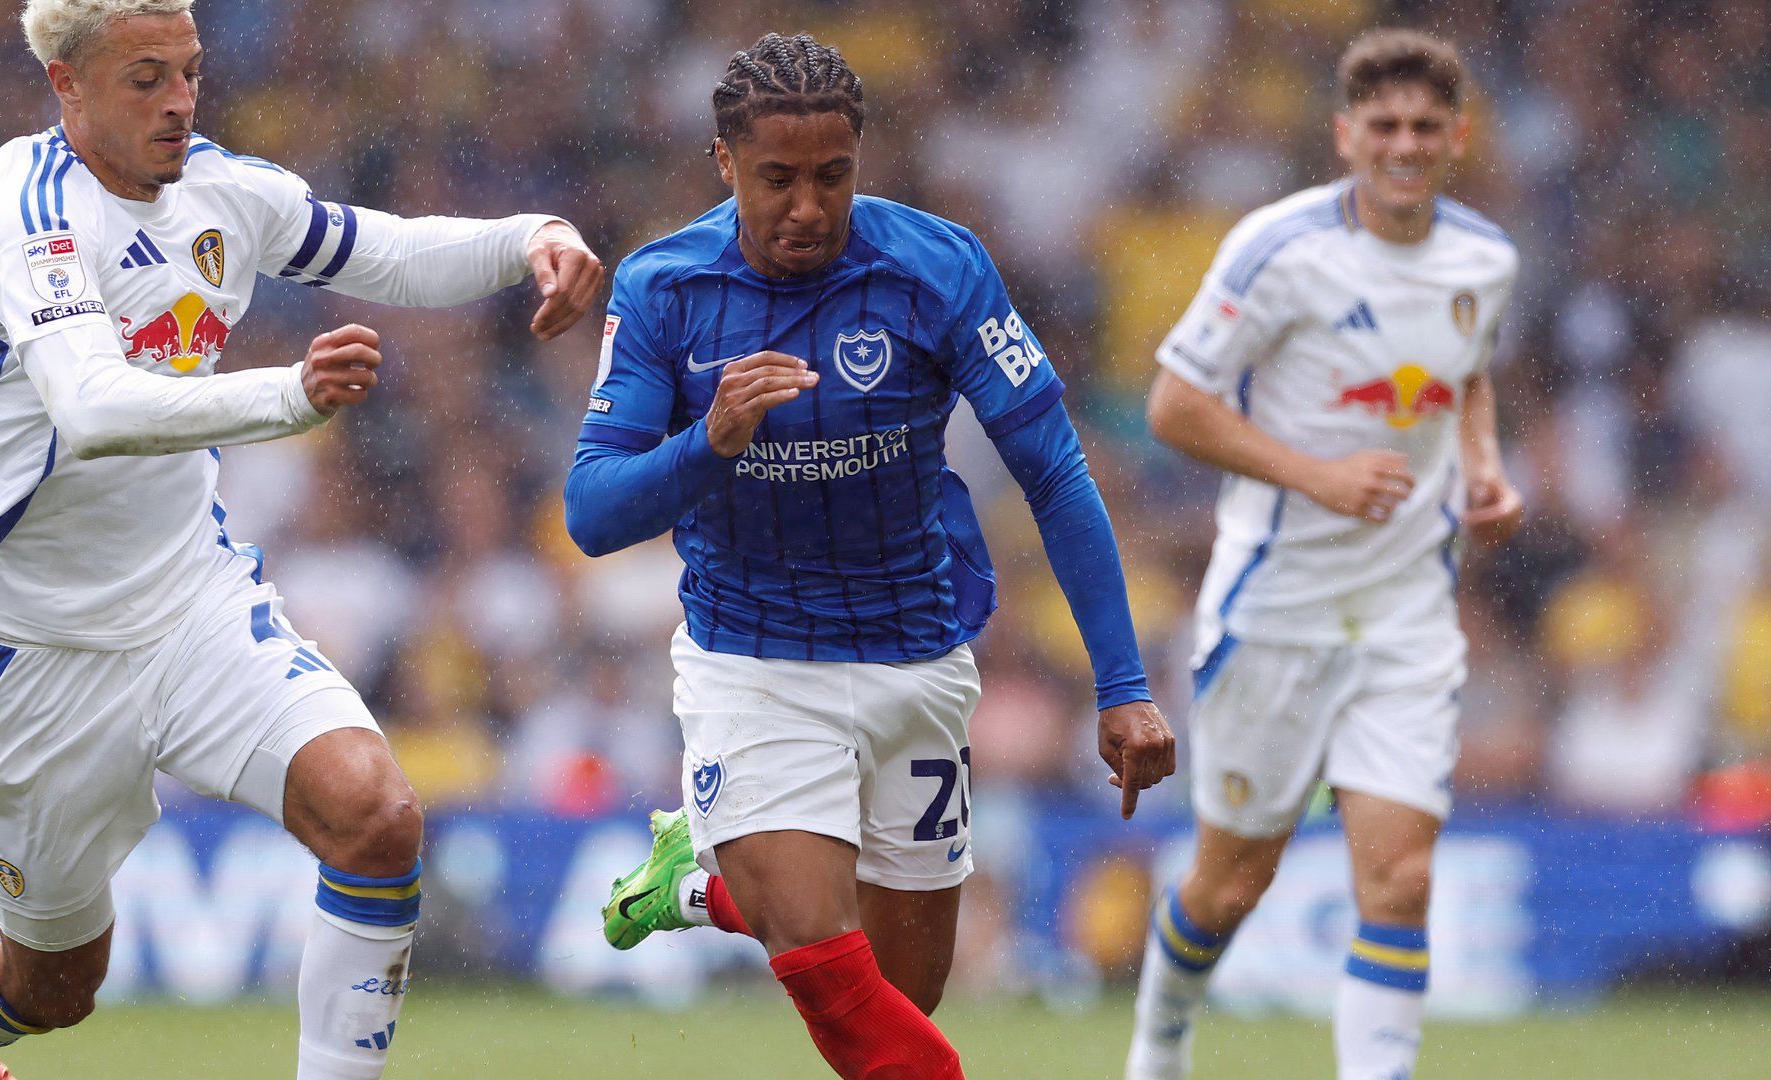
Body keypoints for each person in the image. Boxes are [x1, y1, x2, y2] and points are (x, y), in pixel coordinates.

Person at [0, 2, 603, 1078]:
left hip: (190, 606)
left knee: (376, 814)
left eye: (191, 72)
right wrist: (287, 396)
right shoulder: (25, 210)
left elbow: (387, 252)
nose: (179, 101)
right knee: (55, 985)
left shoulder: (224, 191)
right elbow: (93, 407)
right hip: (37, 650)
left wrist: (529, 237)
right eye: (145, 79)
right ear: (66, 85)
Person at [564, 33, 1174, 1080]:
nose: (808, 206)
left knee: (897, 999)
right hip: (753, 663)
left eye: (832, 177)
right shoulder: (664, 287)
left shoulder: (936, 269)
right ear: (724, 163)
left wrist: (1122, 686)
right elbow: (592, 511)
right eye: (778, 180)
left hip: (917, 661)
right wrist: (706, 443)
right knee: (855, 1003)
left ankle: (699, 884)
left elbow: (1057, 474)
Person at [1125, 29, 1521, 1080]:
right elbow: (1174, 405)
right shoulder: (1276, 250)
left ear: (1457, 138)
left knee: (1399, 880)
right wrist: (1316, 474)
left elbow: (1467, 372)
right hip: (1276, 611)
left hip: (1405, 617)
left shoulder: (1485, 258)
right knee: (1228, 888)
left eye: (1425, 128)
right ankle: (1159, 1045)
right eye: (1383, 125)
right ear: (1345, 134)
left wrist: (1483, 469)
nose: (1404, 144)